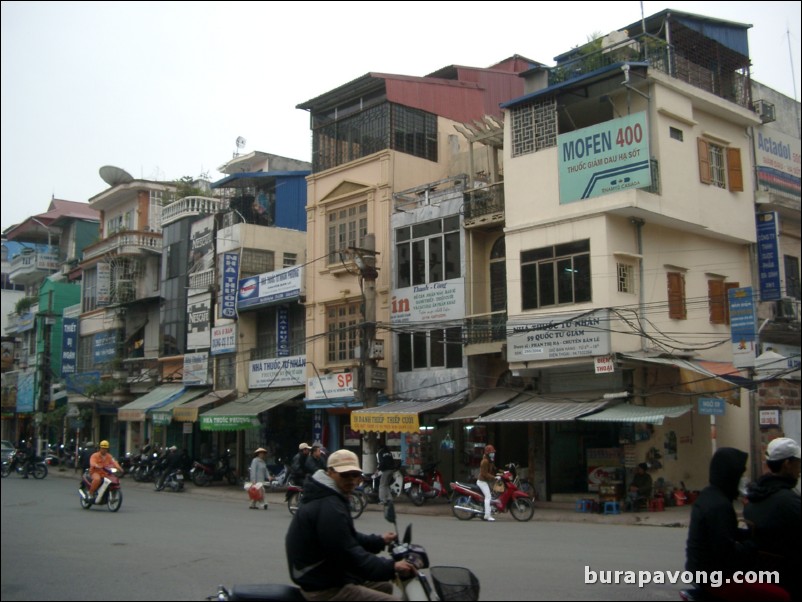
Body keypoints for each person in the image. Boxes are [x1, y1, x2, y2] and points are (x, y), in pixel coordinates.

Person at [285, 449, 417, 601]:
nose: (351, 480)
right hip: (323, 587)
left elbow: (346, 538)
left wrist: (380, 540)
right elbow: (348, 554)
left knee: (385, 586)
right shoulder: (329, 505)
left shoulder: (330, 496)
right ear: (330, 472)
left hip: (328, 574)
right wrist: (392, 567)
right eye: (344, 474)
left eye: (355, 474)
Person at [686, 447, 790, 601]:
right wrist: (753, 546)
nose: (742, 479)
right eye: (740, 475)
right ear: (730, 475)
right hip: (716, 578)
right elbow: (726, 553)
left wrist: (752, 534)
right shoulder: (719, 506)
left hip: (703, 571)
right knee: (781, 596)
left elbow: (727, 533)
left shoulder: (710, 496)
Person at [744, 438, 801, 600]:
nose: (799, 469)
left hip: (763, 571)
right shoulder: (787, 501)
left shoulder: (755, 496)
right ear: (787, 464)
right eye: (798, 463)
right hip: (787, 575)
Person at [477, 444, 498, 522]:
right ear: (487, 453)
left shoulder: (490, 460)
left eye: (493, 452)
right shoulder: (485, 461)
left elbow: (493, 468)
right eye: (491, 452)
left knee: (492, 495)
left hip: (486, 481)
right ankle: (487, 515)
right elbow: (484, 474)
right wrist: (494, 477)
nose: (493, 454)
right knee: (488, 496)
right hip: (482, 482)